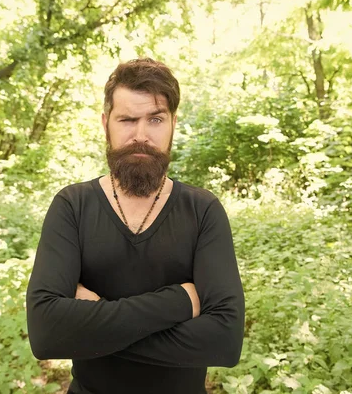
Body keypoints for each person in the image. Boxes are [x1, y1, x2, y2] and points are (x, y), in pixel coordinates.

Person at [26, 58, 245, 394]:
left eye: (155, 119)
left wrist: (94, 323)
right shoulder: (73, 206)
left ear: (173, 123)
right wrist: (181, 302)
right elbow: (45, 334)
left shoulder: (203, 211)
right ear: (106, 123)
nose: (141, 135)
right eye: (127, 119)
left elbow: (225, 341)